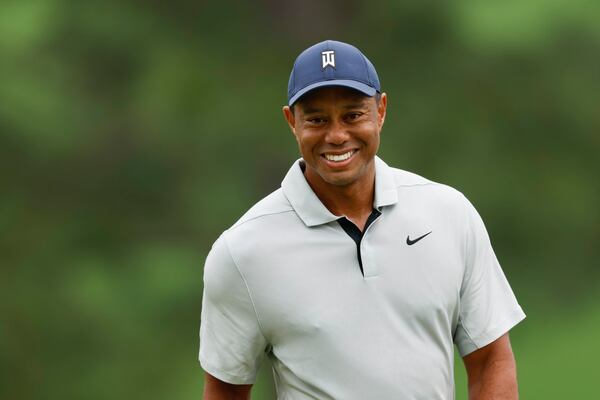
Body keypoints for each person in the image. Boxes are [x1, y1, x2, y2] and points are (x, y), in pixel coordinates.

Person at [199, 40, 526, 400]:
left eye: (353, 115)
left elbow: (490, 359)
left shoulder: (449, 214)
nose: (336, 135)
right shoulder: (242, 252)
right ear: (292, 121)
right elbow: (225, 389)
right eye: (317, 119)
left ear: (381, 110)